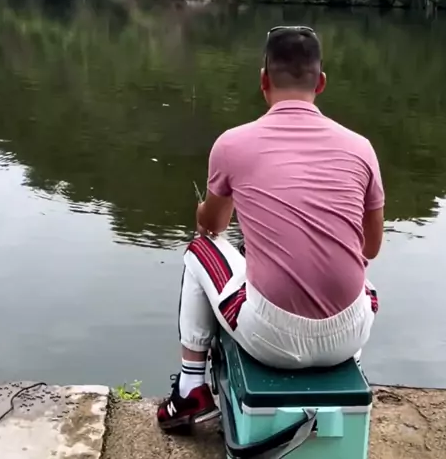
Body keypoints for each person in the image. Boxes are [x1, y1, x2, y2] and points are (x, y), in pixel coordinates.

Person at [157, 25, 384, 431]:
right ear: (321, 83)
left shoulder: (232, 143)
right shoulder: (361, 147)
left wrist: (203, 210)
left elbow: (213, 226)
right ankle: (347, 372)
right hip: (349, 336)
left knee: (200, 251)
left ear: (263, 81)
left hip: (272, 340)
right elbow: (371, 246)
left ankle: (191, 388)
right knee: (358, 268)